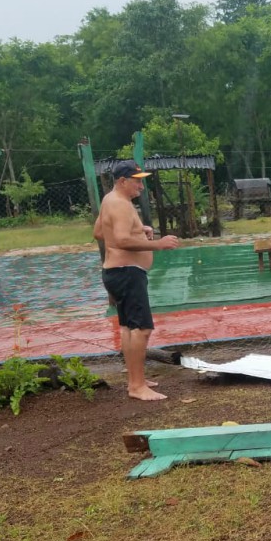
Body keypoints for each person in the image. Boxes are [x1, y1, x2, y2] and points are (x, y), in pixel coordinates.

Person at [93, 160, 179, 400]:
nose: (141, 186)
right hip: (127, 272)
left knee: (128, 327)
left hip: (116, 272)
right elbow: (119, 239)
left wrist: (139, 230)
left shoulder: (109, 200)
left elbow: (100, 233)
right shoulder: (120, 204)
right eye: (137, 181)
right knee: (142, 328)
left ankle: (136, 378)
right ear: (122, 181)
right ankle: (136, 386)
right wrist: (156, 244)